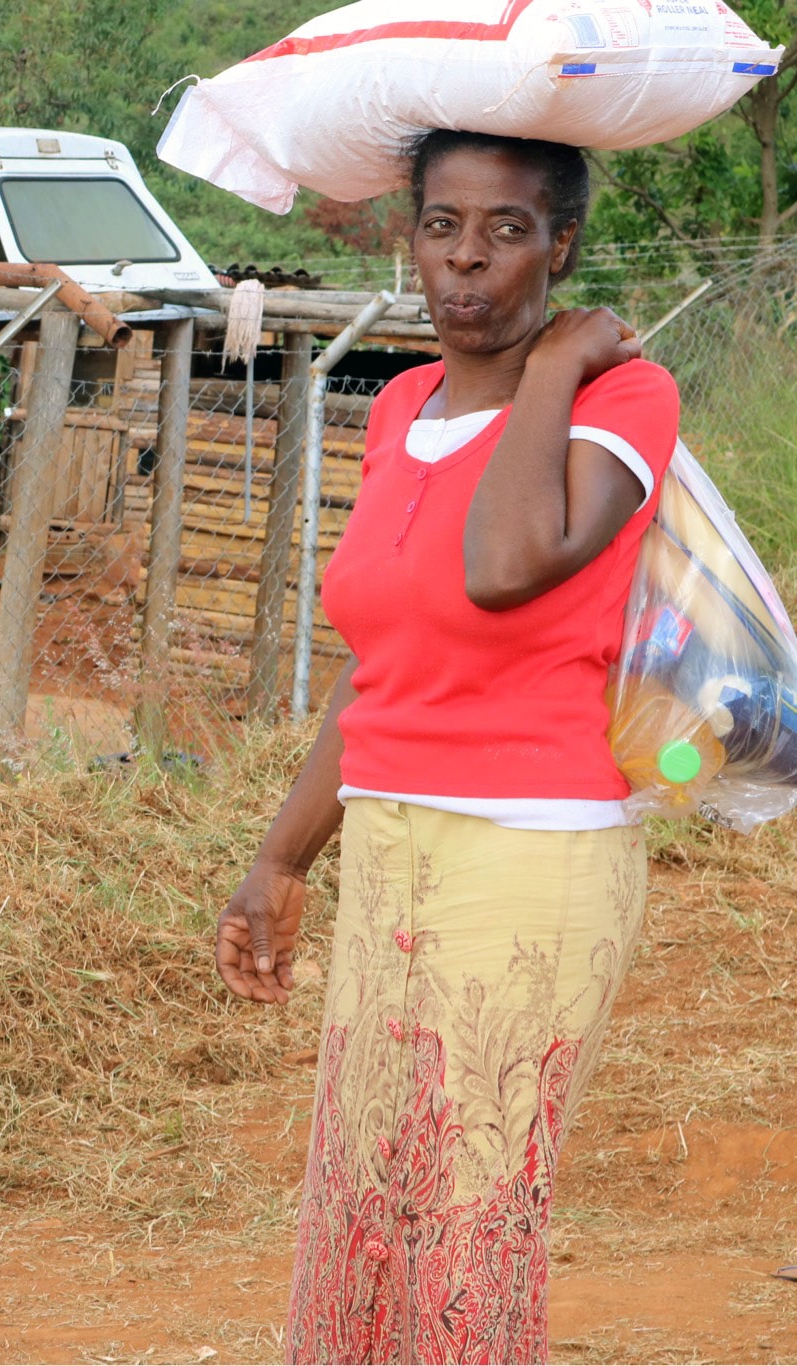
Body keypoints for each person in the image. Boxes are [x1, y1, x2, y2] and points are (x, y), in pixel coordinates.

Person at [214, 129, 678, 1364]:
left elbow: (503, 565)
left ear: (560, 244)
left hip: (529, 857)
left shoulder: (620, 393)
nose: (465, 261)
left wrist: (555, 365)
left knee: (470, 1217)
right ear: (408, 234)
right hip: (388, 850)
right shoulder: (402, 405)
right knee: (363, 1202)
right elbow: (381, 671)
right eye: (439, 226)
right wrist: (280, 859)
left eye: (507, 230)